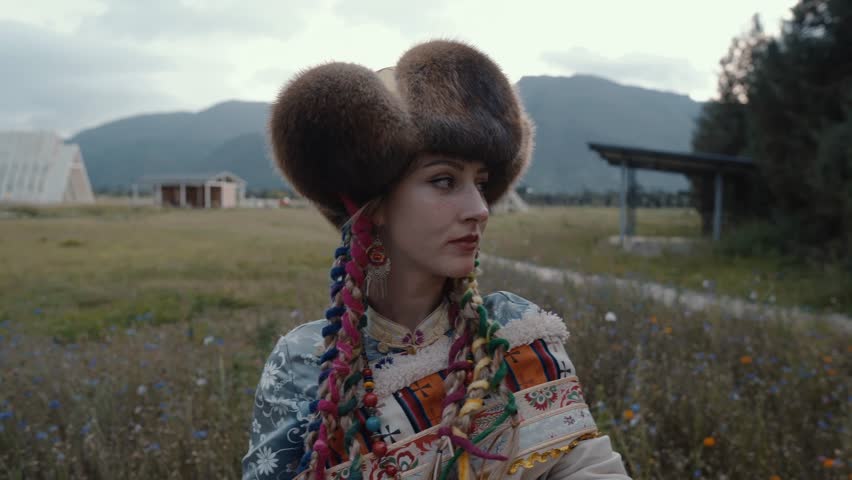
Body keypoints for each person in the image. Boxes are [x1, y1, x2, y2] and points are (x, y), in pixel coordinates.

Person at [242, 39, 631, 480]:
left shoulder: (515, 330)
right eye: (444, 181)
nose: (479, 208)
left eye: (480, 183)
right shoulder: (305, 364)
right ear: (377, 204)